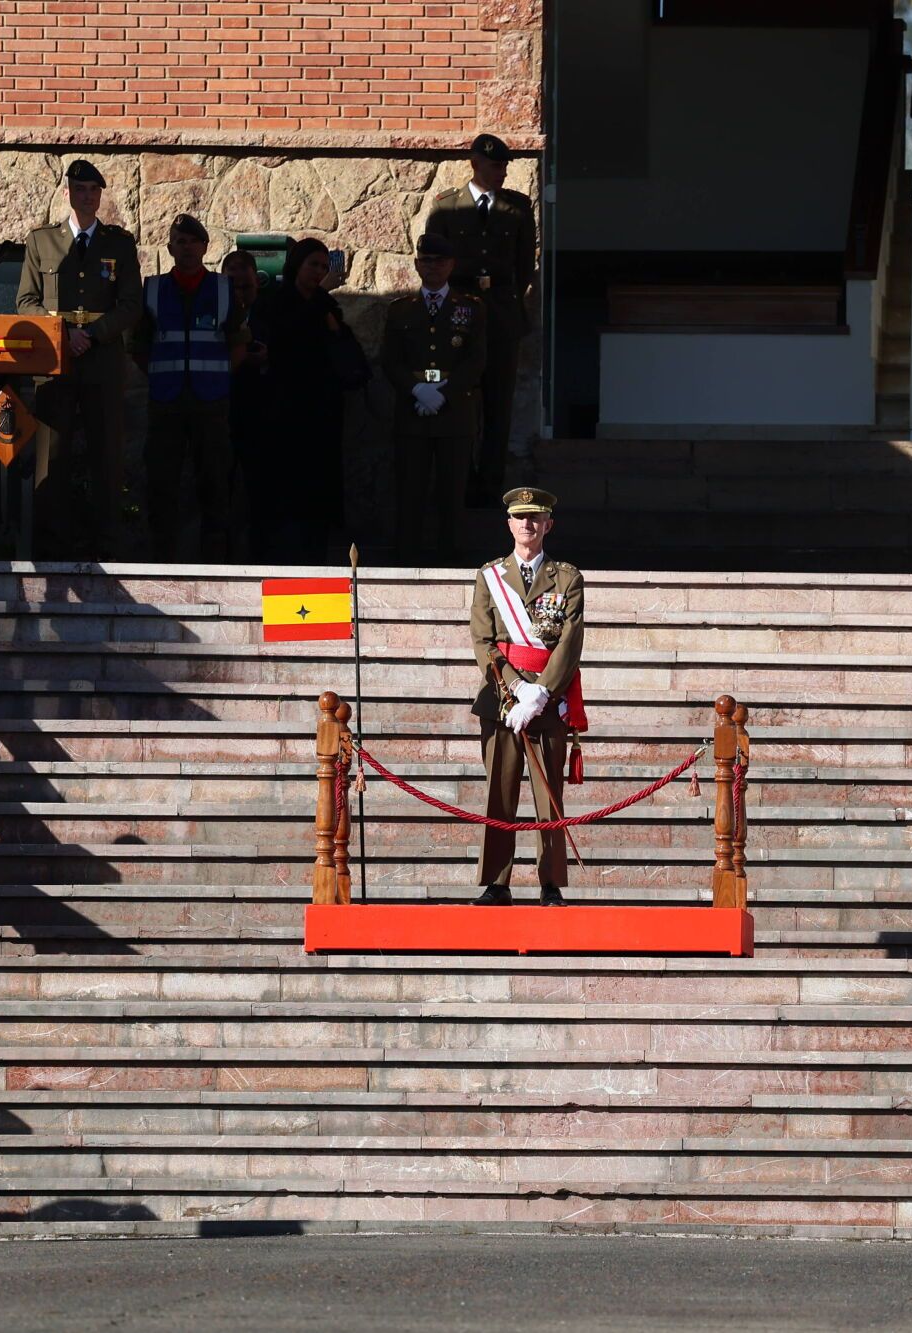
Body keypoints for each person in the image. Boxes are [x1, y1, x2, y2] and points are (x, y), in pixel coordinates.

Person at [16, 159, 144, 557]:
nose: (87, 196)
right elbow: (26, 301)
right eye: (80, 189)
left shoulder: (118, 244)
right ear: (68, 192)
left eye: (93, 190)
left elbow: (130, 305)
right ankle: (51, 549)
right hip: (56, 363)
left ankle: (106, 545)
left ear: (100, 196)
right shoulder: (42, 241)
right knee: (50, 458)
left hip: (102, 360)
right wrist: (63, 335)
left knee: (106, 454)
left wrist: (91, 334)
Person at [469, 487, 586, 906]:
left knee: (548, 796)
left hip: (549, 699)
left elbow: (570, 642)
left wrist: (540, 692)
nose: (527, 525)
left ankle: (550, 882)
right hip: (501, 698)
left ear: (548, 525)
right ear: (509, 524)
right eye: (520, 518)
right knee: (499, 793)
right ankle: (497, 882)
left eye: (535, 518)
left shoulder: (568, 577)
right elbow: (483, 641)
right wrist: (517, 688)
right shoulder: (490, 577)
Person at [426, 133, 538, 506]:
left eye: (505, 166)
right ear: (475, 163)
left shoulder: (517, 208)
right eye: (495, 166)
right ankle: (459, 480)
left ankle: (490, 485)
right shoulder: (446, 207)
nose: (501, 172)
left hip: (502, 317)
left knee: (498, 404)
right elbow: (434, 265)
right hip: (459, 315)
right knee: (458, 399)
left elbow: (524, 268)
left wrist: (505, 299)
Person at [135, 213, 249, 560]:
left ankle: (214, 564)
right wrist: (158, 376)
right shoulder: (152, 289)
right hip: (165, 402)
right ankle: (161, 564)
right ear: (170, 248)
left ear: (205, 246)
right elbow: (137, 345)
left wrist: (220, 376)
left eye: (193, 241)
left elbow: (240, 341)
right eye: (179, 242)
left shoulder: (223, 289)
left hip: (211, 403)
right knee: (161, 484)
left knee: (215, 484)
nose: (186, 248)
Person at [383, 232, 488, 563]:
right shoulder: (401, 310)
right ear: (416, 264)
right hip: (412, 412)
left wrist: (444, 392)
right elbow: (390, 360)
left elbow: (477, 359)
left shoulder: (470, 309)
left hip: (454, 412)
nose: (433, 267)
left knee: (451, 492)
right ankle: (406, 557)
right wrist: (417, 390)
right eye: (427, 261)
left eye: (440, 261)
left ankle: (450, 558)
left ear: (452, 265)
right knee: (409, 491)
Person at [255, 237, 351, 561]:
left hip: (321, 412)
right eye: (313, 264)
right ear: (297, 265)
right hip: (283, 411)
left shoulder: (326, 305)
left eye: (324, 267)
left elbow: (342, 348)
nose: (319, 272)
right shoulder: (274, 302)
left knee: (317, 493)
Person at [223, 249, 278, 558]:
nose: (239, 293)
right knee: (221, 489)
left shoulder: (270, 314)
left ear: (257, 281)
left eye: (245, 286)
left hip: (262, 410)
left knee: (262, 490)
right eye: (232, 285)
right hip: (224, 409)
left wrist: (269, 358)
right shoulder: (217, 313)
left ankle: (263, 555)